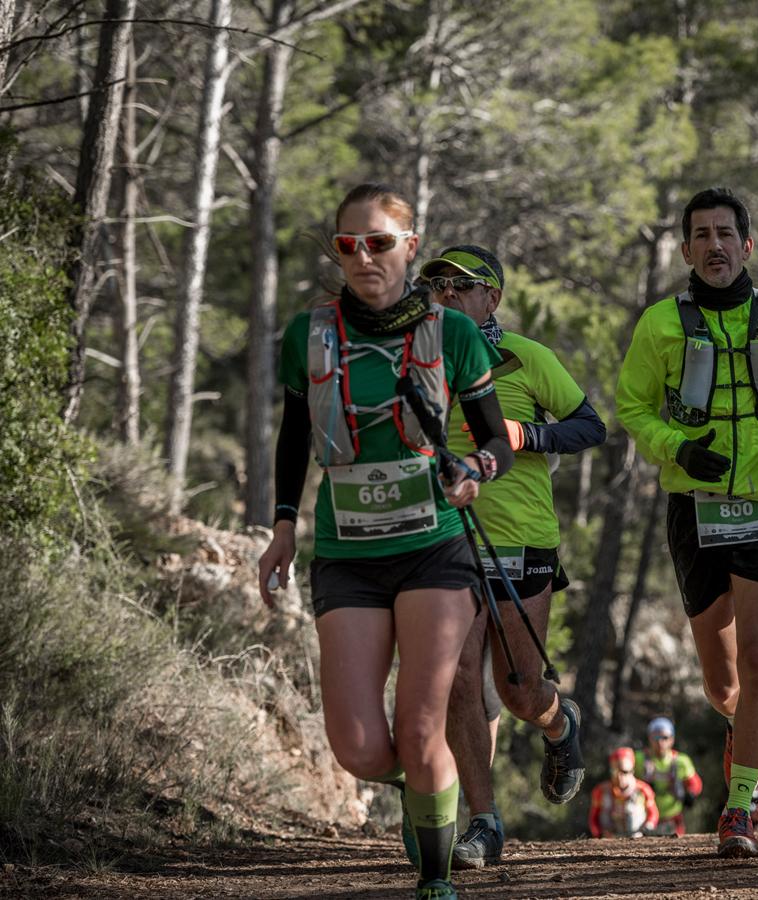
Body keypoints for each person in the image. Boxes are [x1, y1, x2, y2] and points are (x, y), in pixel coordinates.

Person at [257, 183, 516, 900]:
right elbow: (293, 434)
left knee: (423, 720)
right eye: (349, 244)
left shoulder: (452, 334)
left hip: (436, 547)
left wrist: (477, 470)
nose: (363, 256)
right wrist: (284, 526)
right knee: (360, 747)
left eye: (379, 242)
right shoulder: (308, 336)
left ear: (409, 245)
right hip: (347, 552)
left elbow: (496, 438)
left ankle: (435, 880)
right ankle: (419, 789)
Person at [615, 186, 758, 857]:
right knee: (722, 681)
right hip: (695, 507)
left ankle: (740, 808)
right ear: (686, 249)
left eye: (725, 234)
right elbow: (633, 407)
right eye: (701, 235)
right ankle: (749, 734)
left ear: (747, 245)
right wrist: (677, 447)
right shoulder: (660, 325)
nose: (714, 245)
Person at [418, 244, 605, 870]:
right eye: (436, 286)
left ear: (491, 298)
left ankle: (559, 725)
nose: (445, 295)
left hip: (523, 537)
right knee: (458, 679)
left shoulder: (527, 358)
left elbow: (592, 425)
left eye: (460, 286)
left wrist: (530, 436)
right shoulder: (419, 362)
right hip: (445, 540)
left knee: (519, 690)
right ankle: (482, 821)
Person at [634, 716, 703, 836]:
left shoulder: (681, 761)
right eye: (656, 737)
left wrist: (691, 793)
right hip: (645, 819)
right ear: (649, 738)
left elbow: (695, 783)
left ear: (672, 739)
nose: (660, 742)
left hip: (673, 819)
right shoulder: (638, 759)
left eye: (665, 737)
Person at [589, 747, 659, 838]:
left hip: (637, 838)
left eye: (625, 772)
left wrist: (648, 827)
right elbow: (593, 818)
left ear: (632, 770)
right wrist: (599, 834)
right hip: (609, 841)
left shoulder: (643, 790)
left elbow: (653, 813)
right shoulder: (601, 791)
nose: (620, 777)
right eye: (615, 771)